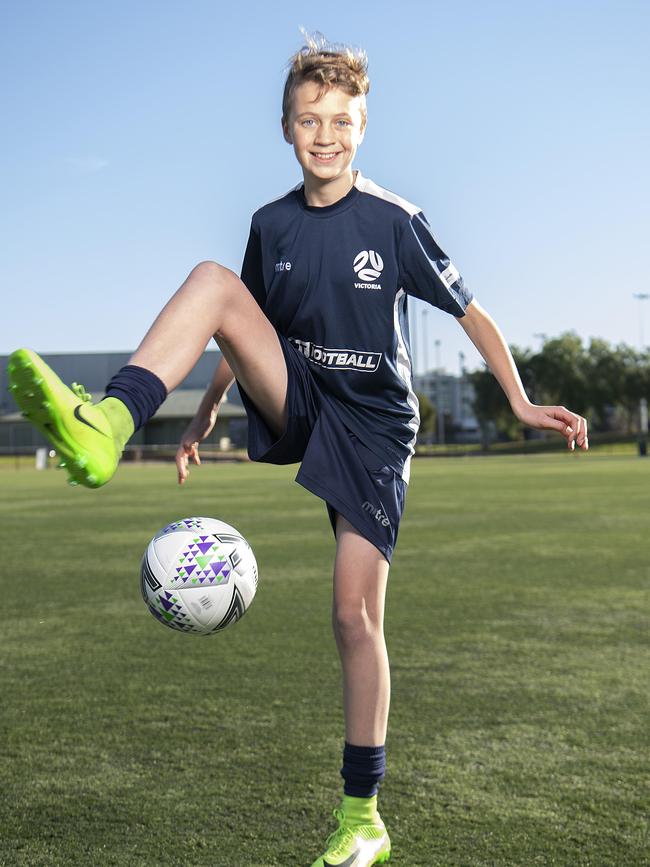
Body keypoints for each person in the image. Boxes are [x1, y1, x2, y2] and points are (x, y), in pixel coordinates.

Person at [7, 31, 588, 867]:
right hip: (307, 399)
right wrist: (206, 413)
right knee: (214, 279)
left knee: (353, 614)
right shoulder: (270, 223)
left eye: (342, 121)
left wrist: (523, 401)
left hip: (377, 432)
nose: (326, 135)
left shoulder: (394, 221)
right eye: (310, 119)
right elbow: (244, 329)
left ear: (362, 128)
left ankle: (363, 817)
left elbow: (475, 316)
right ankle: (109, 422)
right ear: (285, 128)